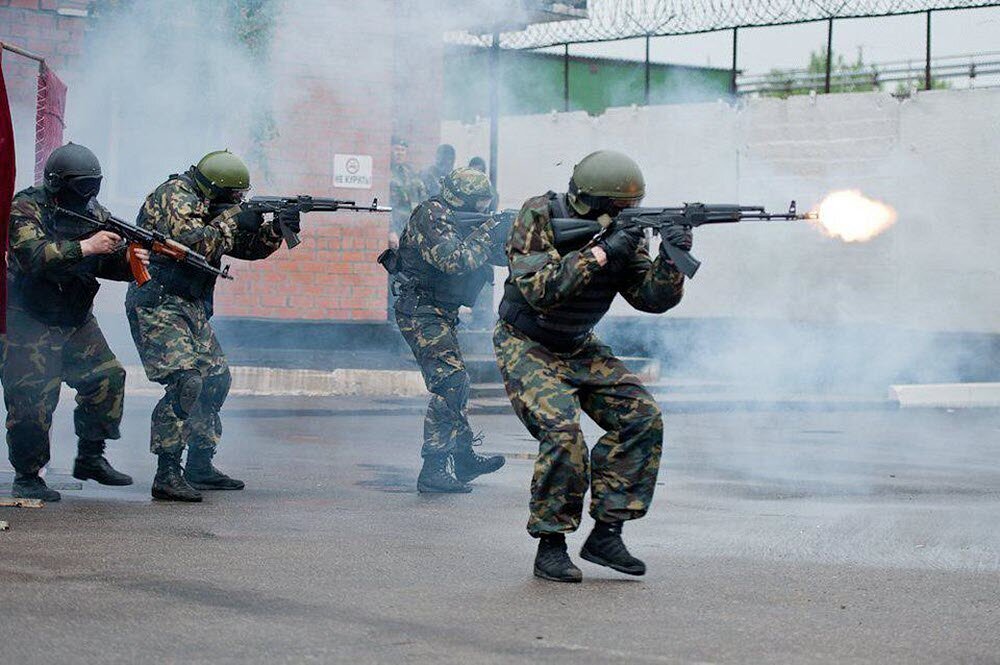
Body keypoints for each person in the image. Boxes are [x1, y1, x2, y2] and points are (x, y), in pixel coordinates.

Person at [493, 150, 690, 582]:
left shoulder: (624, 234)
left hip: (578, 343)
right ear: (592, 202)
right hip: (527, 341)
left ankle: (606, 534)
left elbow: (650, 299)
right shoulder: (539, 215)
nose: (627, 214)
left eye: (632, 207)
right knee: (563, 434)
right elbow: (540, 290)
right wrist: (601, 253)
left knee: (642, 418)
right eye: (620, 207)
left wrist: (672, 257)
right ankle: (551, 545)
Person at [125, 150, 298, 502]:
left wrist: (275, 230)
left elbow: (244, 248)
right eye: (234, 196)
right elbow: (192, 244)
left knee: (215, 379)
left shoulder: (212, 206)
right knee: (186, 382)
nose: (238, 201)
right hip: (158, 301)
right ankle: (167, 473)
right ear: (216, 189)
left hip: (190, 304)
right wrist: (234, 218)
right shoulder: (175, 195)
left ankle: (199, 464)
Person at [2, 142, 149, 501]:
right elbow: (32, 256)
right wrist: (88, 246)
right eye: (81, 186)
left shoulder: (93, 212)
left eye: (92, 186)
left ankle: (90, 457)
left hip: (74, 317)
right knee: (32, 400)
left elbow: (103, 262)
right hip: (28, 319)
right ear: (58, 182)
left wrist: (129, 260)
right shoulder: (26, 207)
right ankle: (27, 476)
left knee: (107, 377)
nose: (88, 195)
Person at [394, 167, 507, 493]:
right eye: (481, 204)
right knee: (450, 383)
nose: (485, 209)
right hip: (421, 310)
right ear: (463, 200)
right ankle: (433, 469)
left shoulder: (458, 218)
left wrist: (510, 236)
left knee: (457, 383)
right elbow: (454, 260)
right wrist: (488, 232)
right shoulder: (431, 215)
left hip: (440, 312)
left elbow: (494, 257)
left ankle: (463, 457)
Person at [388, 136, 427, 250]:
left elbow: (422, 199)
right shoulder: (386, 172)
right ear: (390, 151)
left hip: (410, 228)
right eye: (396, 149)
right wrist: (390, 231)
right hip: (395, 226)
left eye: (402, 150)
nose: (399, 153)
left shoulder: (411, 173)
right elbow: (385, 205)